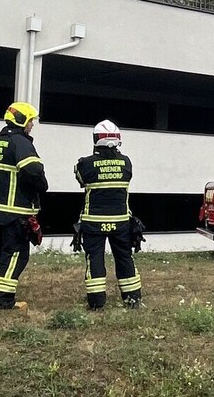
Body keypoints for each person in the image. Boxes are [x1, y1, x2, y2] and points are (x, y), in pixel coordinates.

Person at [0, 101, 48, 310]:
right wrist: (42, 186)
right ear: (22, 121)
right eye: (31, 121)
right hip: (14, 213)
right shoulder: (21, 142)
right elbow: (34, 171)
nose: (32, 125)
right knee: (16, 255)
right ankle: (2, 300)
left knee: (0, 253)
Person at [74, 120, 142, 310]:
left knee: (94, 259)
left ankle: (96, 303)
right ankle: (132, 299)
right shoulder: (126, 162)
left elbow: (81, 180)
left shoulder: (85, 164)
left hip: (93, 222)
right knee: (124, 257)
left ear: (96, 139)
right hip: (121, 221)